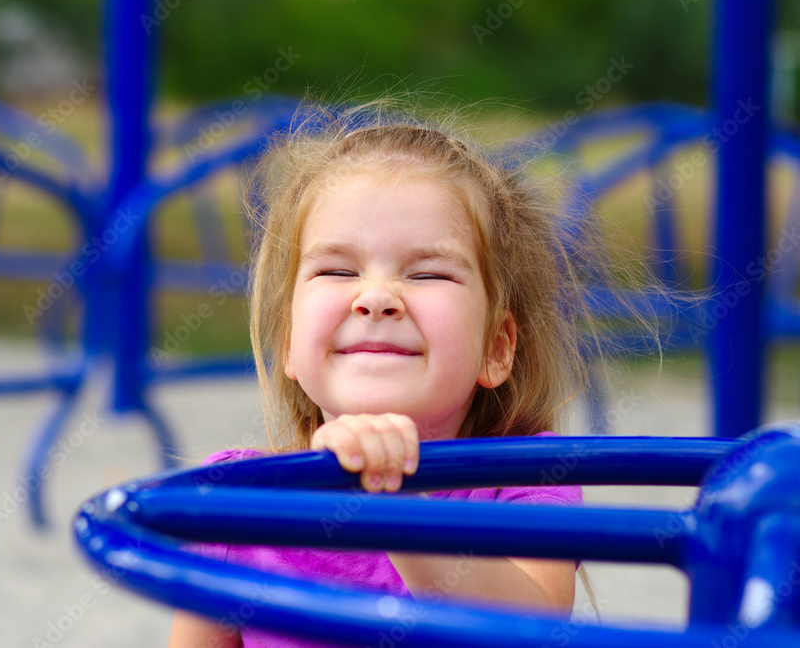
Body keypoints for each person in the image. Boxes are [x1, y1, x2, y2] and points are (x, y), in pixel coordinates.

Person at [168, 100, 623, 648]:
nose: (377, 297)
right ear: (288, 341)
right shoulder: (238, 504)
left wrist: (397, 507)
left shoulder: (528, 481)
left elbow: (528, 626)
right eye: (337, 270)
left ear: (496, 349)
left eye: (428, 273)